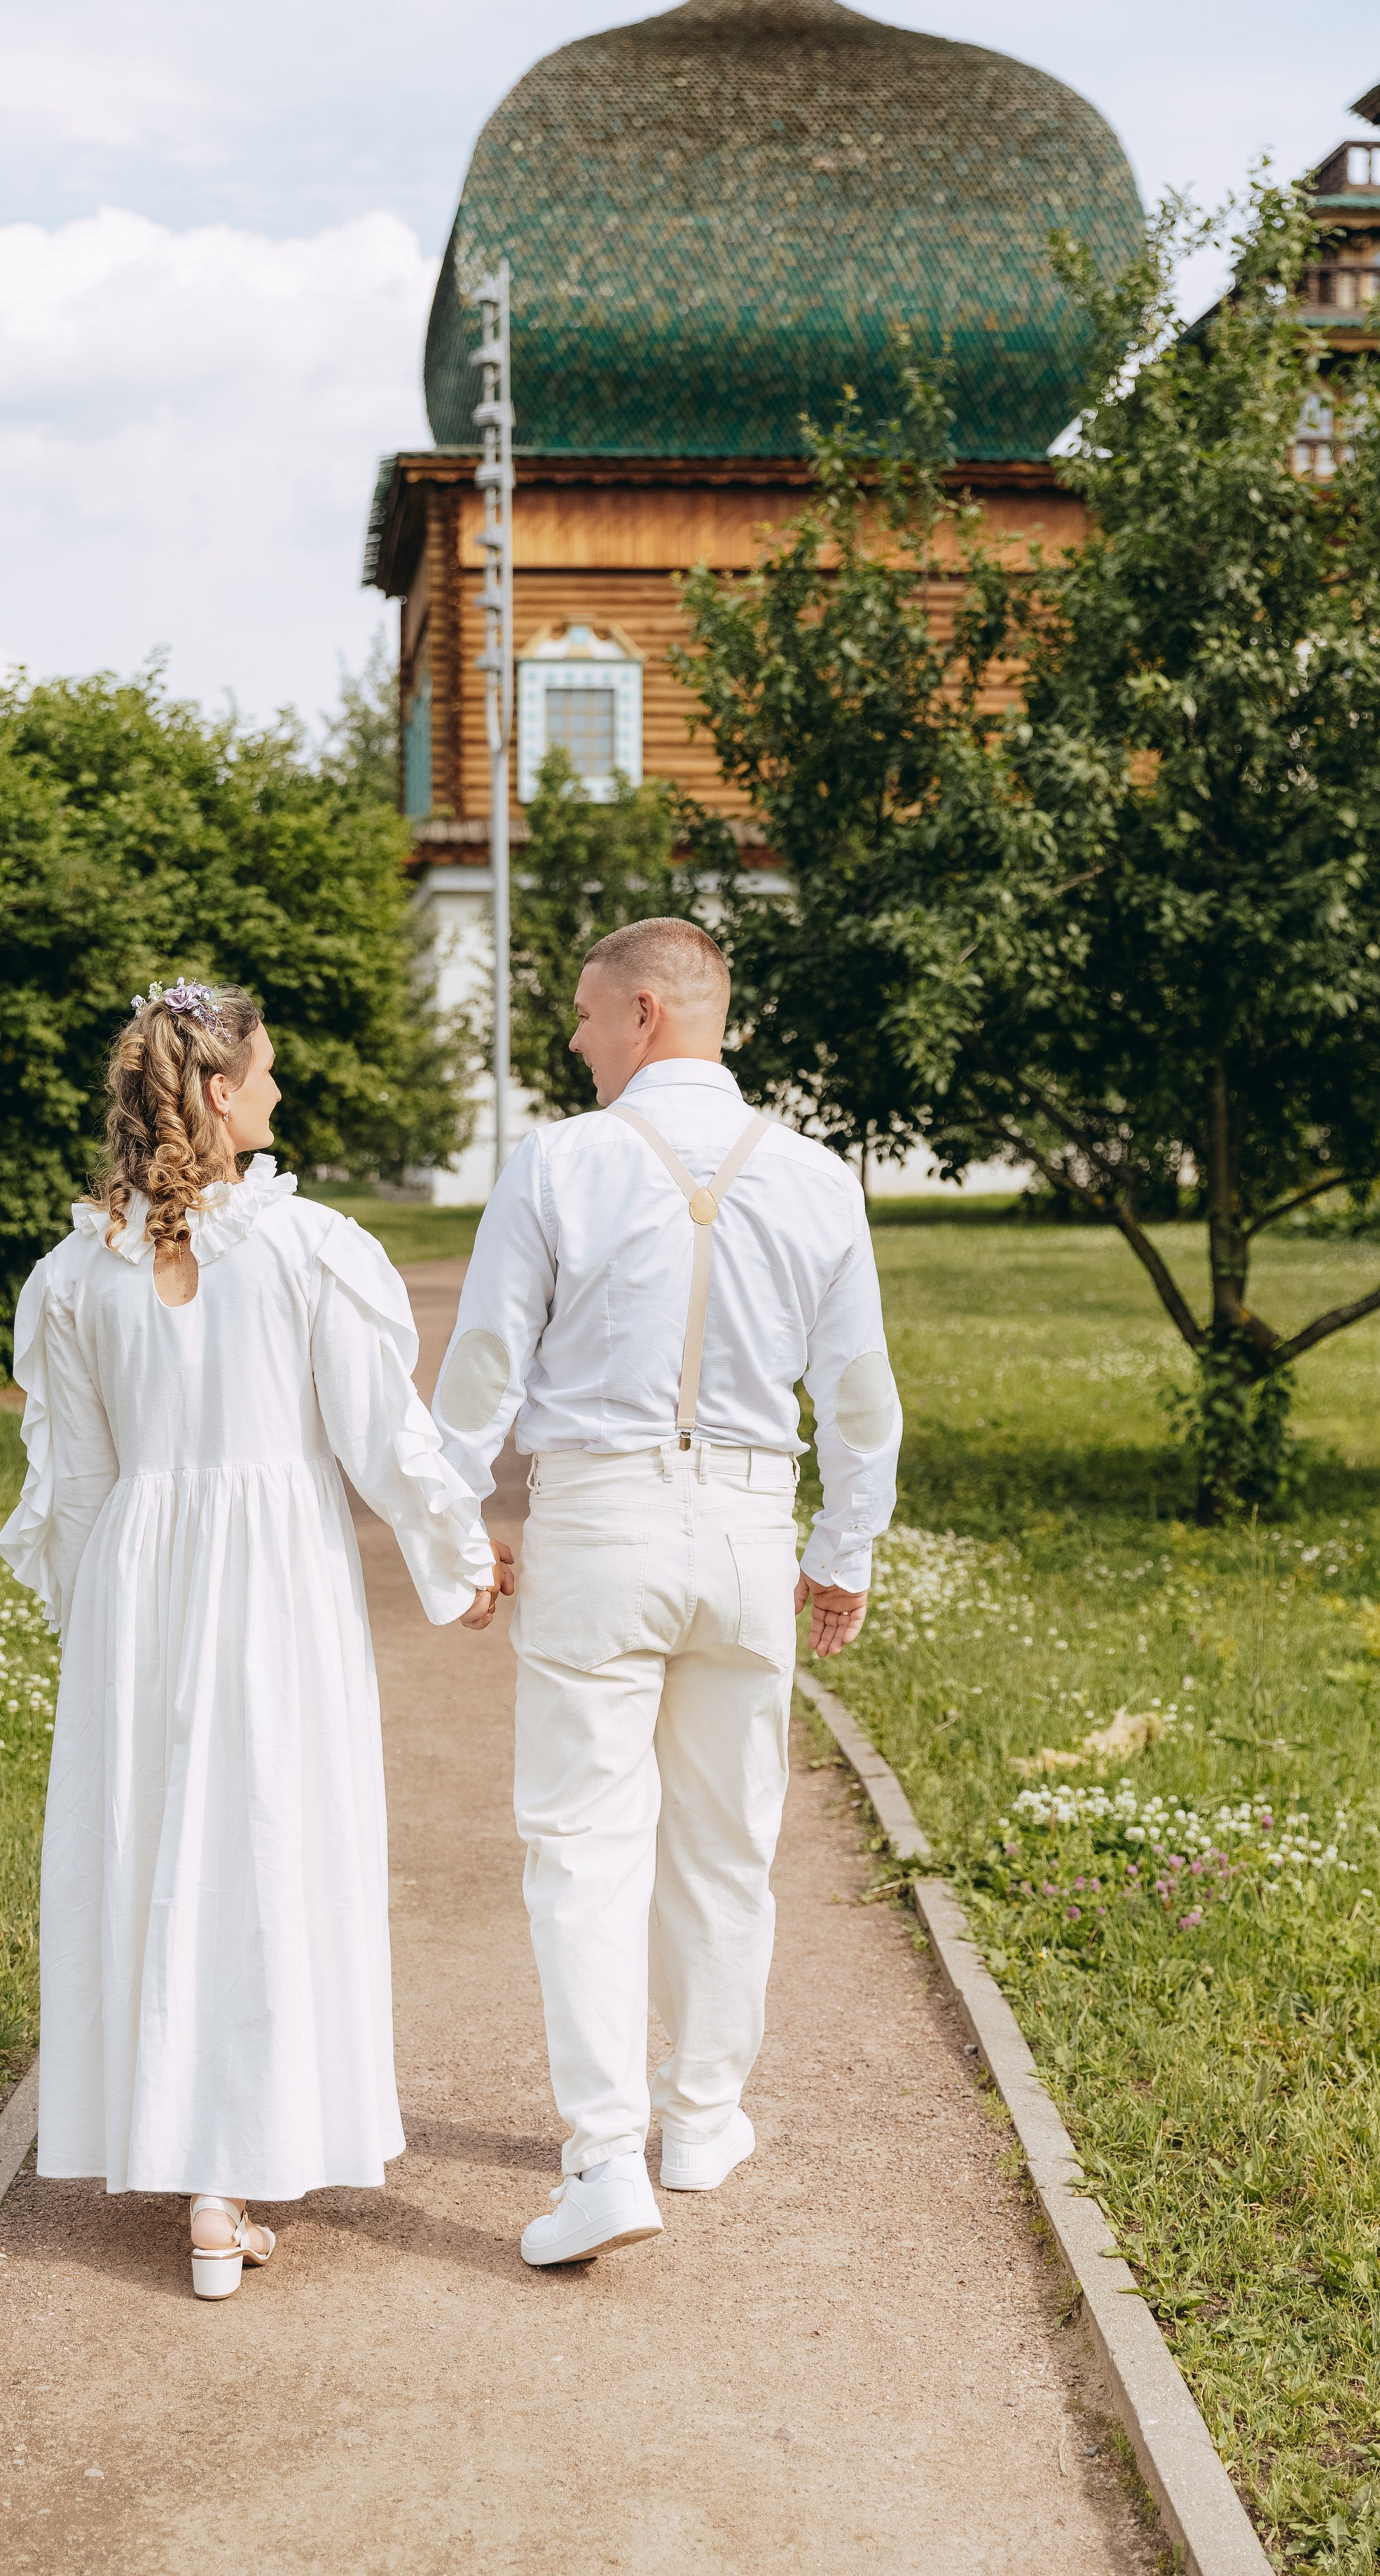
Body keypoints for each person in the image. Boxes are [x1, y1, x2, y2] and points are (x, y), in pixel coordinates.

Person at [0, 977, 508, 2299]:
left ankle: (190, 2161)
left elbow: (78, 1489)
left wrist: (95, 1623)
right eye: (265, 1071)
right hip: (274, 1583)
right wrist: (458, 1557)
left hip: (141, 1591)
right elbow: (381, 1437)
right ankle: (230, 2178)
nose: (280, 1090)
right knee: (269, 1836)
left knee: (161, 1842)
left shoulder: (72, 1277)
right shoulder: (307, 1249)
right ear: (219, 1095)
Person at [431, 919, 900, 2269]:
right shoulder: (817, 1179)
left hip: (598, 1525)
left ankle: (602, 2152)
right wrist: (843, 1549)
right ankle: (702, 2117)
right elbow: (858, 1397)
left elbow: (483, 1365)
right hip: (753, 1531)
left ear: (645, 1011)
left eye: (584, 1016)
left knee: (581, 1842)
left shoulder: (561, 1163)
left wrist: (459, 1527)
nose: (575, 1041)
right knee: (726, 1841)